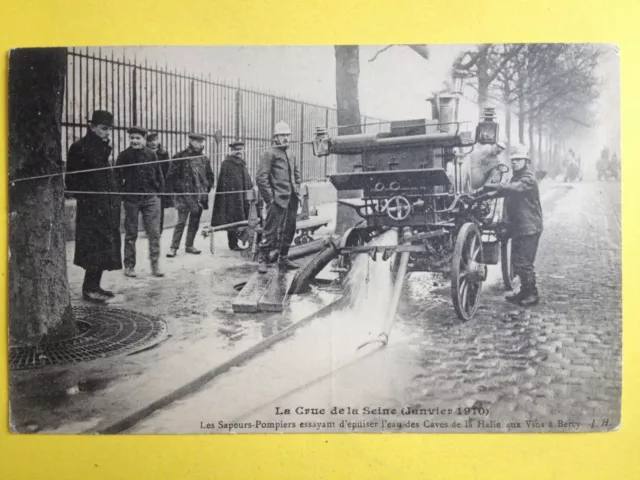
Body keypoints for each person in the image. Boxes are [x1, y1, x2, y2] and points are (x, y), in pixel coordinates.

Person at [65, 110, 122, 303]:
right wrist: (90, 200)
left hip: (105, 207)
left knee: (104, 247)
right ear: (93, 127)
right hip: (91, 209)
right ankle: (89, 288)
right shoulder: (79, 147)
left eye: (110, 129)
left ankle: (95, 286)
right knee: (94, 248)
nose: (108, 133)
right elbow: (72, 182)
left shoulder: (99, 146)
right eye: (104, 129)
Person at [482, 143, 543, 307]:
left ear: (526, 161)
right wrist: (484, 193)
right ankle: (524, 291)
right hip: (519, 227)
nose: (515, 163)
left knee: (524, 262)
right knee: (517, 261)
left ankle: (532, 294)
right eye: (513, 160)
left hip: (529, 227)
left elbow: (514, 188)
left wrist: (495, 186)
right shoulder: (515, 177)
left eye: (518, 160)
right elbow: (505, 190)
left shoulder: (528, 178)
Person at [115, 126, 165, 278]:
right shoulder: (124, 156)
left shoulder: (151, 154)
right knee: (131, 233)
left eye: (138, 138)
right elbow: (116, 177)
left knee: (154, 233)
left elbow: (159, 174)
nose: (134, 141)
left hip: (151, 198)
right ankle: (129, 266)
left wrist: (160, 194)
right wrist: (122, 194)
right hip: (132, 199)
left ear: (144, 139)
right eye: (132, 138)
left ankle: (155, 265)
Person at [255, 121, 302, 273]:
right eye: (282, 135)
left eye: (288, 135)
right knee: (270, 230)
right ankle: (263, 259)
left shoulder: (291, 153)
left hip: (292, 198)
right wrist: (270, 199)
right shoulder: (270, 153)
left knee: (289, 229)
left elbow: (296, 174)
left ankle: (283, 258)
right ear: (276, 137)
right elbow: (261, 178)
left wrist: (297, 190)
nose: (286, 138)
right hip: (277, 200)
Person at [166, 133, 215, 257]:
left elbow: (210, 176)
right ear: (190, 141)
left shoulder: (204, 159)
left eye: (201, 142)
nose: (199, 144)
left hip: (199, 196)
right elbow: (171, 176)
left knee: (195, 221)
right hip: (183, 195)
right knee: (181, 221)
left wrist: (206, 188)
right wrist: (181, 189)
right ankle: (173, 247)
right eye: (196, 141)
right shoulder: (180, 156)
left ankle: (189, 245)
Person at [210, 140, 254, 250]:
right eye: (236, 150)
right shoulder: (227, 163)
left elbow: (246, 178)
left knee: (243, 218)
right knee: (233, 219)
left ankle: (244, 239)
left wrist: (250, 187)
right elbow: (223, 183)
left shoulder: (242, 163)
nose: (239, 152)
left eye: (241, 150)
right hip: (231, 198)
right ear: (232, 150)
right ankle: (232, 243)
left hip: (243, 196)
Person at [146, 132, 172, 233]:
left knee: (159, 208)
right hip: (148, 183)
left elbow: (167, 169)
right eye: (150, 141)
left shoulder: (163, 154)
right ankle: (149, 230)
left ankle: (158, 230)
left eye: (155, 140)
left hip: (160, 183)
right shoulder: (145, 152)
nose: (153, 143)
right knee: (149, 209)